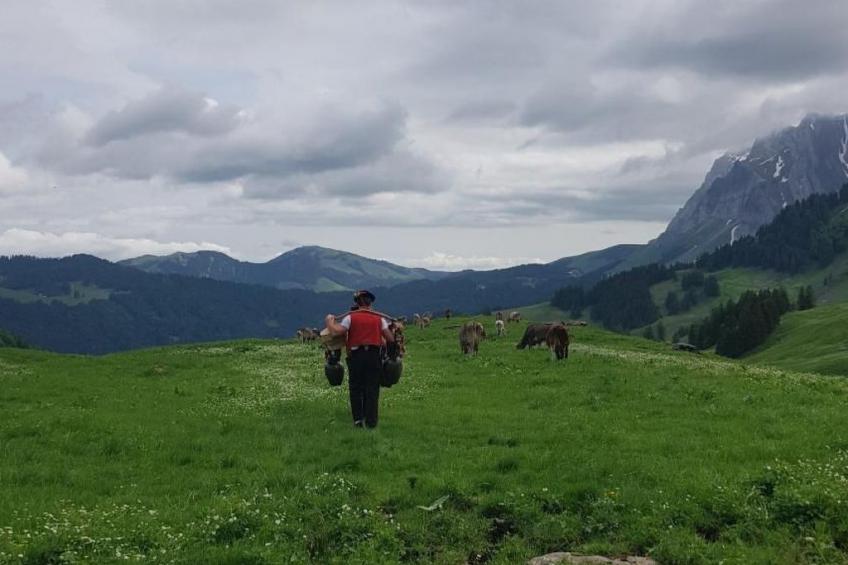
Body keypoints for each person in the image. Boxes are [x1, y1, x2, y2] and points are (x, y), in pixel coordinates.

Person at [325, 290, 395, 428]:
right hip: (374, 356)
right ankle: (371, 422)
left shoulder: (350, 318)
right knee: (372, 388)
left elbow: (335, 332)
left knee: (356, 387)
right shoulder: (379, 319)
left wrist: (329, 321)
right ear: (370, 303)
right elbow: (390, 339)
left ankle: (358, 420)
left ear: (357, 303)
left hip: (356, 357)